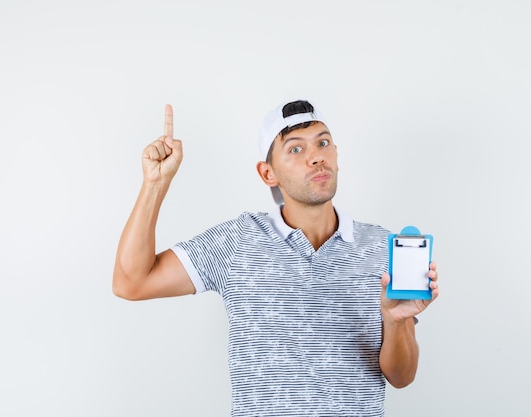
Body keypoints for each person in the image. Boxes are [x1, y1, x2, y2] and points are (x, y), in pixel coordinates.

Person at [113, 99, 439, 417]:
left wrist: (396, 323)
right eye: (296, 149)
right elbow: (132, 282)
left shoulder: (382, 246)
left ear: (336, 156)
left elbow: (402, 377)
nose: (316, 158)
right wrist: (156, 183)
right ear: (268, 173)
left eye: (323, 143)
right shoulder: (237, 240)